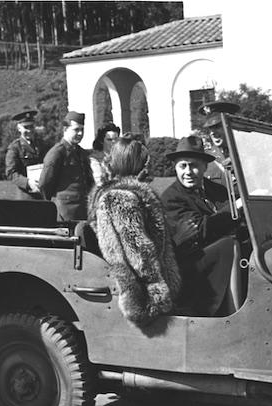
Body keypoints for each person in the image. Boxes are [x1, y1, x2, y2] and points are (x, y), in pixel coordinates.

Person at [88, 137, 181, 325]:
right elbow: (138, 251)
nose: (149, 165)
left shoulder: (123, 193)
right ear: (135, 164)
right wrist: (156, 291)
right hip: (142, 291)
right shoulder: (122, 197)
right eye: (145, 161)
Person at [161, 135, 242, 316]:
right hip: (190, 268)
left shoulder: (217, 190)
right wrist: (235, 208)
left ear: (205, 167)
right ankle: (234, 313)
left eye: (194, 165)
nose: (188, 172)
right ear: (175, 167)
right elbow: (200, 230)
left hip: (214, 258)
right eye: (183, 166)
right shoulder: (171, 198)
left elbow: (231, 218)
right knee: (230, 245)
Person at [39, 111, 94, 221]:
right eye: (76, 129)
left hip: (83, 210)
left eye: (82, 130)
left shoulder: (81, 153)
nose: (80, 133)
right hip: (66, 213)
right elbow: (45, 184)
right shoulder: (57, 153)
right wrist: (56, 202)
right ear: (65, 129)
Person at [200, 100, 240, 190]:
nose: (212, 133)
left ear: (230, 125)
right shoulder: (206, 158)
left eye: (217, 126)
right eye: (210, 128)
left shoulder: (245, 152)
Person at [4, 110, 45, 199]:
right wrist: (28, 183)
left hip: (43, 195)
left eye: (32, 127)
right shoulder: (15, 148)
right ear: (19, 128)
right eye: (26, 127)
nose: (29, 130)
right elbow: (11, 173)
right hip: (26, 197)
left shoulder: (42, 144)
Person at [89, 122, 121, 186]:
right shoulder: (95, 160)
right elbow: (99, 182)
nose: (114, 142)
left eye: (116, 139)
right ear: (101, 141)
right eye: (109, 140)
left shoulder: (121, 157)